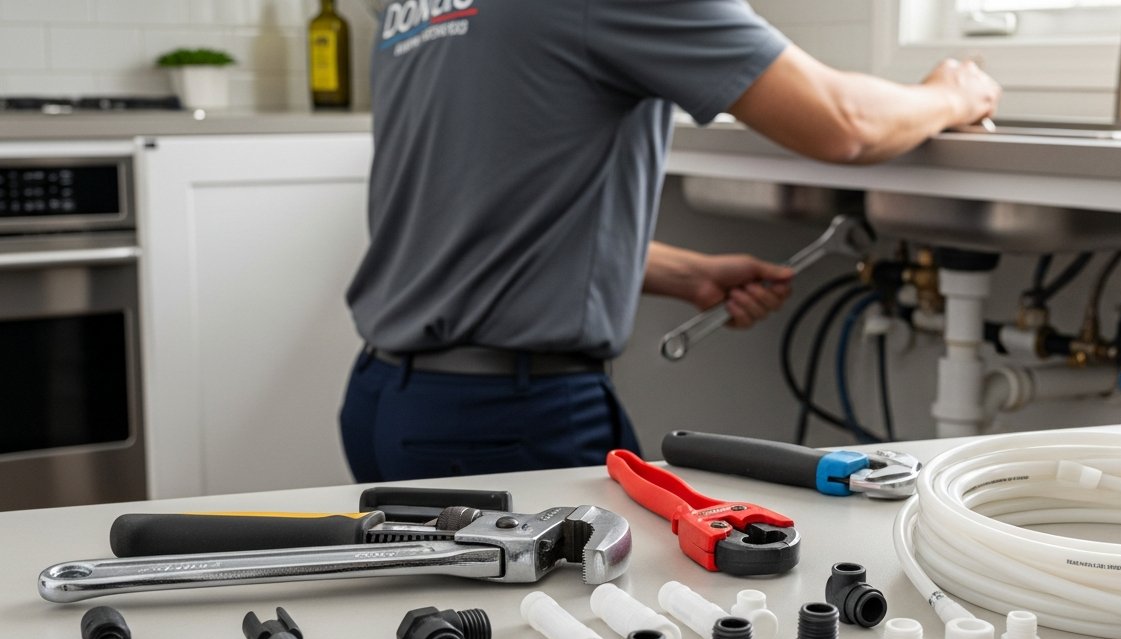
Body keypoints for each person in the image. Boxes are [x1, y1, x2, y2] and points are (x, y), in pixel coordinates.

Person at [339, 0, 1001, 481]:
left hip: (385, 401)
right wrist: (950, 94)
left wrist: (681, 273)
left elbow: (467, 215)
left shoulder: (414, 10)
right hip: (499, 422)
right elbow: (843, 123)